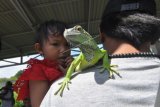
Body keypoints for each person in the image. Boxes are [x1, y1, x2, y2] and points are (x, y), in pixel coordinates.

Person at [40, 0, 160, 107]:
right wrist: (67, 77)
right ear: (154, 34)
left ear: (101, 34)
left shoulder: (56, 92)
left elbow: (102, 54)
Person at [14, 20, 73, 107]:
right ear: (39, 49)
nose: (64, 50)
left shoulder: (73, 64)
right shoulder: (38, 70)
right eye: (55, 44)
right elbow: (39, 105)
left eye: (67, 44)